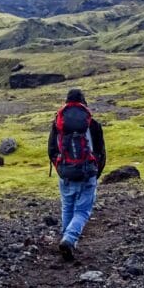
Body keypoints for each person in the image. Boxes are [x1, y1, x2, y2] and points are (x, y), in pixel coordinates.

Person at [47, 88, 106, 261]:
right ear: (83, 103)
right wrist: (96, 173)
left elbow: (51, 149)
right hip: (87, 173)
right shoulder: (92, 124)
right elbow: (101, 152)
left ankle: (66, 239)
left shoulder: (58, 123)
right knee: (82, 211)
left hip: (65, 173)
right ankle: (69, 239)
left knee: (68, 206)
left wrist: (61, 169)